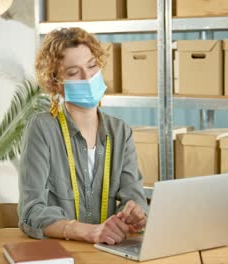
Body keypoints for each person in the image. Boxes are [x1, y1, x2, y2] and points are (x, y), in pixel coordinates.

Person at [18, 27, 149, 245]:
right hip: (59, 252)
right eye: (73, 72)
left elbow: (135, 199)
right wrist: (89, 231)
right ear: (55, 83)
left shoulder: (120, 132)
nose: (88, 77)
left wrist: (136, 215)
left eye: (91, 66)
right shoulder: (42, 128)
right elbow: (31, 211)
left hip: (108, 250)